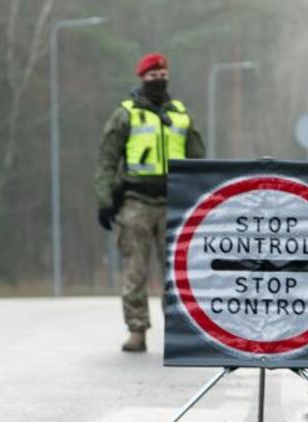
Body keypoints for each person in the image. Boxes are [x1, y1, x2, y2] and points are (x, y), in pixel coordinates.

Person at [94, 53, 205, 352]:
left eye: (163, 76)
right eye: (153, 77)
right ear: (142, 78)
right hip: (136, 202)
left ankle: (178, 332)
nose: (158, 81)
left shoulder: (181, 114)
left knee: (178, 273)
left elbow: (199, 160)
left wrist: (203, 200)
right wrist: (105, 201)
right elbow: (107, 160)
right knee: (135, 270)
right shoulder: (125, 114)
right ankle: (137, 330)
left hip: (175, 202)